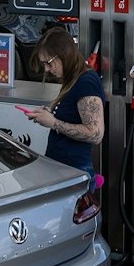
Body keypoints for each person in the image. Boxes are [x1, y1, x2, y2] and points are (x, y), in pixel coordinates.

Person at [25, 27, 104, 177]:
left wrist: (53, 122)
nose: (47, 69)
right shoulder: (74, 80)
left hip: (73, 170)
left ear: (63, 55)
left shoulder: (86, 82)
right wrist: (48, 115)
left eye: (48, 63)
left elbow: (95, 134)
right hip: (64, 168)